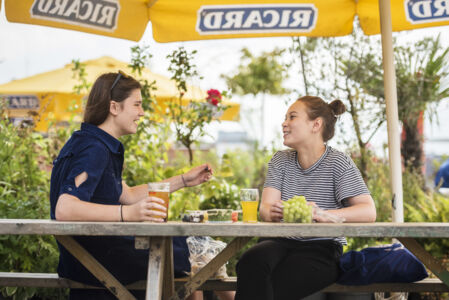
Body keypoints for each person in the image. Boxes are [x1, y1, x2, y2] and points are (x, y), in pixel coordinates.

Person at [50, 71, 213, 300]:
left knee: (197, 257)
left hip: (90, 257)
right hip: (98, 260)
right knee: (203, 252)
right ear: (114, 107)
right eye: (137, 105)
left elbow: (127, 194)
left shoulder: (96, 144)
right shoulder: (94, 149)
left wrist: (184, 180)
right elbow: (65, 208)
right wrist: (128, 214)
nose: (142, 112)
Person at [235, 96, 377, 300]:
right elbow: (265, 208)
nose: (284, 123)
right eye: (285, 118)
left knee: (282, 280)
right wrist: (271, 211)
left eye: (292, 117)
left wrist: (321, 214)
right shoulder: (280, 160)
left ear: (316, 124)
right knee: (251, 260)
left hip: (322, 247)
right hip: (279, 241)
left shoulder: (338, 162)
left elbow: (368, 211)